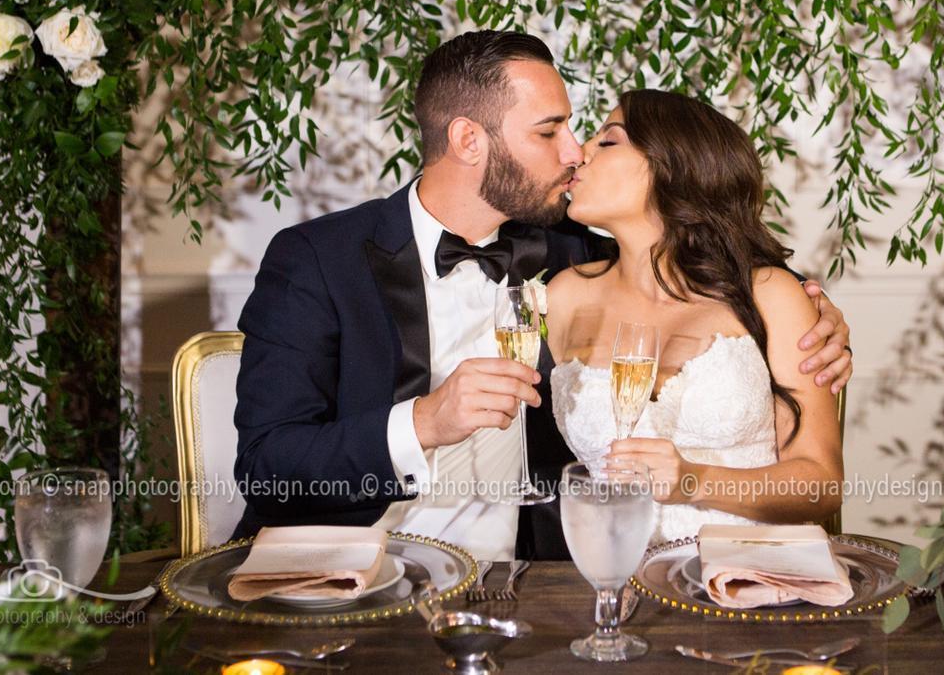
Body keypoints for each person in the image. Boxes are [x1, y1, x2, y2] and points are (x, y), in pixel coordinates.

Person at [231, 31, 852, 560]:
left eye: (581, 132)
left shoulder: (570, 258)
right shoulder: (318, 259)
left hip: (534, 582)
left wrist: (816, 314)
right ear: (469, 140)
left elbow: (702, 276)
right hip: (357, 568)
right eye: (549, 131)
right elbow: (266, 469)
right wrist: (424, 422)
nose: (574, 153)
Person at [548, 90, 843, 542]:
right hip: (611, 570)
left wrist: (694, 481)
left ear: (674, 167)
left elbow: (820, 483)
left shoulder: (770, 296)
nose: (579, 152)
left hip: (749, 570)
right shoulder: (563, 296)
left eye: (608, 141)